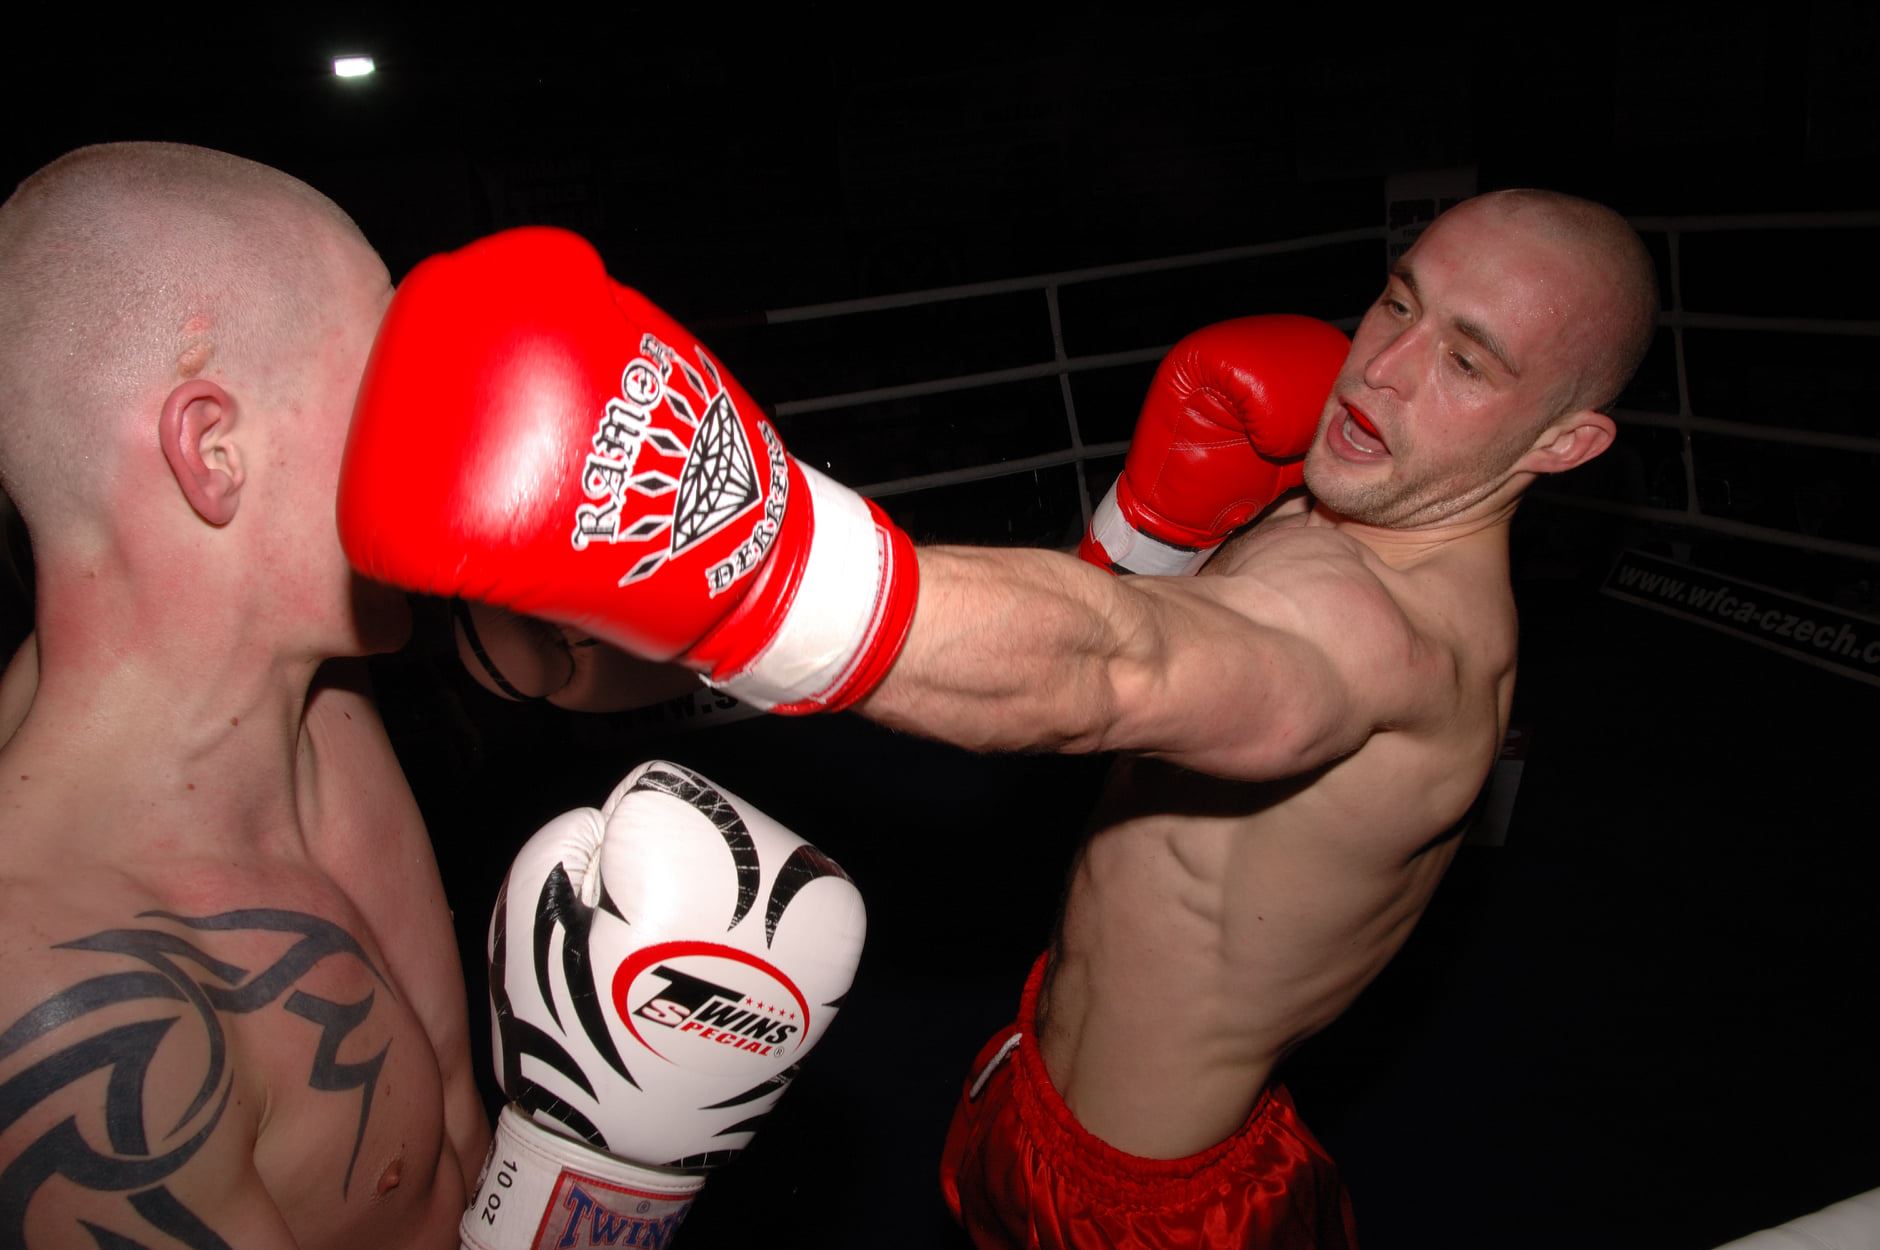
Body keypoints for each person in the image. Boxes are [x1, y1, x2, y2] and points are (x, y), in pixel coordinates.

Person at [334, 187, 1656, 1246]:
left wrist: (751, 559)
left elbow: (1120, 671)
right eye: (1397, 298)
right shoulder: (1358, 494)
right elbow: (1148, 643)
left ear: (1565, 443)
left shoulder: (1388, 643)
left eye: (1470, 361)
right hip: (1042, 1055)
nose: (1385, 368)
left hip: (1152, 1205)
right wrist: (1148, 531)